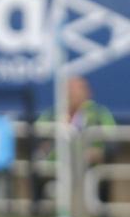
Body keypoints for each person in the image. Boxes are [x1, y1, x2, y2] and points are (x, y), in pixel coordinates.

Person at [36, 75, 118, 207]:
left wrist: (99, 153)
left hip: (89, 167)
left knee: (99, 175)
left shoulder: (99, 114)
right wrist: (44, 146)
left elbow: (114, 141)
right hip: (56, 167)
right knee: (38, 168)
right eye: (68, 90)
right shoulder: (52, 114)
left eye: (76, 89)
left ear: (87, 92)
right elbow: (35, 135)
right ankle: (41, 211)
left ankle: (98, 213)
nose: (72, 94)